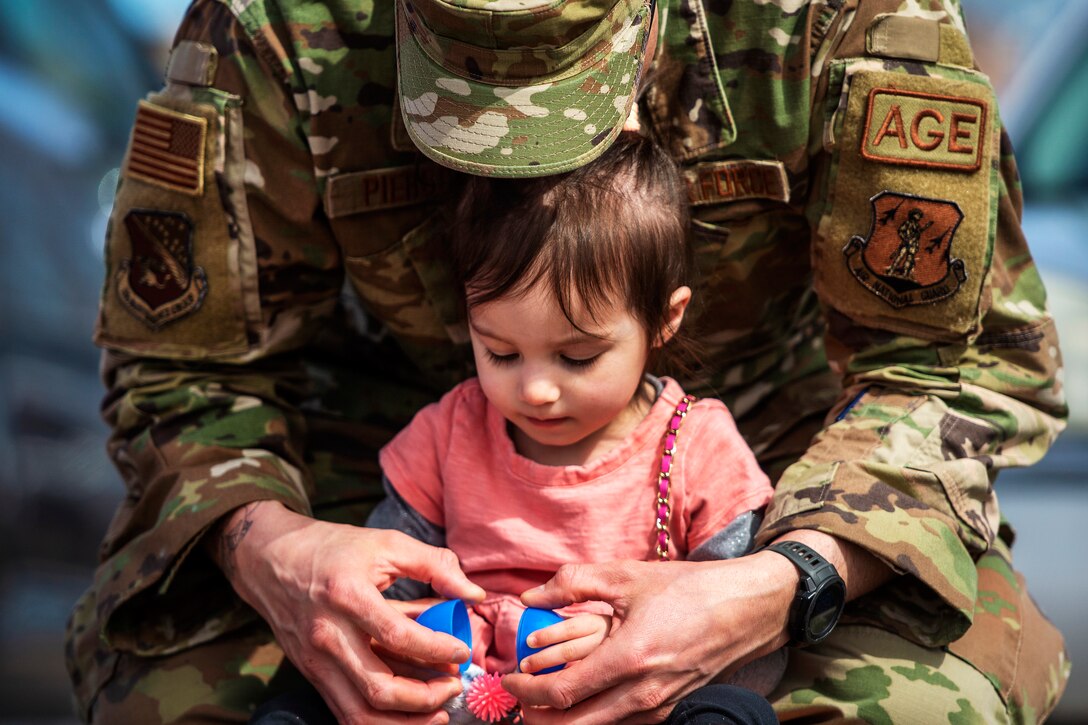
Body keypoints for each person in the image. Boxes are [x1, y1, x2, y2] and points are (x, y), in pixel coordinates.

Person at [66, 0, 1070, 723]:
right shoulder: (279, 26)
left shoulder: (829, 20)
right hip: (363, 500)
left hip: (779, 498)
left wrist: (777, 581)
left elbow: (951, 368)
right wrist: (273, 551)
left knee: (918, 696)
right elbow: (183, 372)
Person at [254, 133, 782, 724]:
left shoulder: (695, 447)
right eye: (501, 352)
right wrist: (395, 635)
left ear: (664, 318)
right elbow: (385, 589)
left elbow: (746, 636)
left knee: (732, 711)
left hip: (628, 704)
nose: (535, 390)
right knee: (301, 696)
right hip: (462, 697)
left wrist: (622, 637)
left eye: (577, 358)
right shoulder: (450, 432)